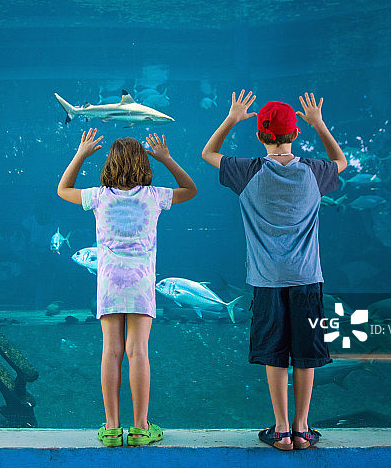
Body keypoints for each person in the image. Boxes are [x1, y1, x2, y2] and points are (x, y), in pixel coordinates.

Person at [202, 90, 346, 450]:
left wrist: (232, 117)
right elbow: (341, 161)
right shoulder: (315, 172)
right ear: (296, 133)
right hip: (307, 280)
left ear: (260, 135)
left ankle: (281, 430)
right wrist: (320, 123)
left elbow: (208, 154)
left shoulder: (246, 171)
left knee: (275, 353)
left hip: (266, 282)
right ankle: (303, 427)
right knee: (306, 353)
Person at [58, 128, 196, 447]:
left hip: (108, 282)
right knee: (138, 352)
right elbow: (190, 188)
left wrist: (80, 153)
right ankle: (140, 428)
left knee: (111, 350)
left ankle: (111, 428)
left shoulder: (98, 196)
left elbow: (63, 188)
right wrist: (166, 157)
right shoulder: (155, 196)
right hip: (141, 283)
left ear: (109, 164)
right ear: (144, 166)